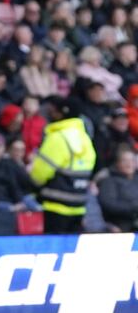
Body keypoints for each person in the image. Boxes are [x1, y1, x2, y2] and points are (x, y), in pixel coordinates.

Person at [30, 99, 97, 234]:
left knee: (52, 250)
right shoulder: (84, 136)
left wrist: (34, 186)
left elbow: (40, 172)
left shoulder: (57, 137)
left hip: (55, 205)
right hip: (79, 204)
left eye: (53, 110)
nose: (50, 113)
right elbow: (91, 163)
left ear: (62, 113)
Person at [97, 145, 138, 232]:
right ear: (117, 163)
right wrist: (133, 207)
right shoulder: (109, 181)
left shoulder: (136, 179)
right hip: (118, 226)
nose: (129, 164)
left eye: (132, 160)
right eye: (124, 161)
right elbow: (109, 204)